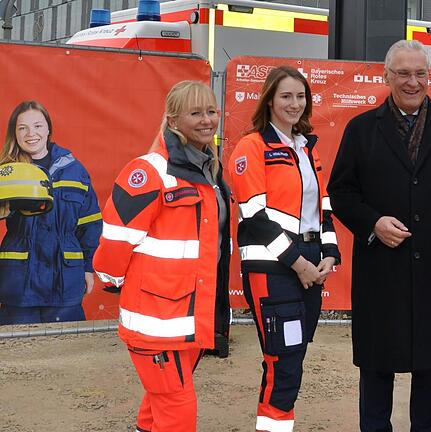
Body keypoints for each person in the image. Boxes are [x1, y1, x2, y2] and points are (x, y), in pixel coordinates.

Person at [328, 40, 431, 432]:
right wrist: (373, 223)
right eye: (403, 73)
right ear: (386, 76)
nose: (413, 82)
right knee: (377, 368)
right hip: (382, 270)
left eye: (420, 73)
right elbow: (340, 194)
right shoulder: (361, 129)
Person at [92, 80, 232, 432]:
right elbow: (115, 242)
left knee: (162, 400)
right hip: (157, 321)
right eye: (195, 112)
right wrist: (111, 281)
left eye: (211, 111)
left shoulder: (209, 170)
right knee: (177, 406)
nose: (207, 120)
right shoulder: (149, 172)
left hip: (189, 316)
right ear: (172, 121)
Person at [228, 65, 341, 432]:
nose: (295, 104)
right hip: (273, 269)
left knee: (292, 359)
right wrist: (297, 263)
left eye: (300, 96)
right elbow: (255, 218)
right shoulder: (252, 146)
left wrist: (328, 254)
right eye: (286, 96)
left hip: (310, 266)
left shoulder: (306, 147)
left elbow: (323, 206)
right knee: (283, 362)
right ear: (270, 100)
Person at [0, 101, 102, 325]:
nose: (31, 134)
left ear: (48, 129)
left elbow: (90, 223)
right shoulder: (6, 171)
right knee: (17, 354)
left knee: (66, 353)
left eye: (37, 126)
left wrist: (87, 267)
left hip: (64, 280)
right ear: (14, 133)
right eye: (22, 128)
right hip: (19, 282)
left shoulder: (74, 170)